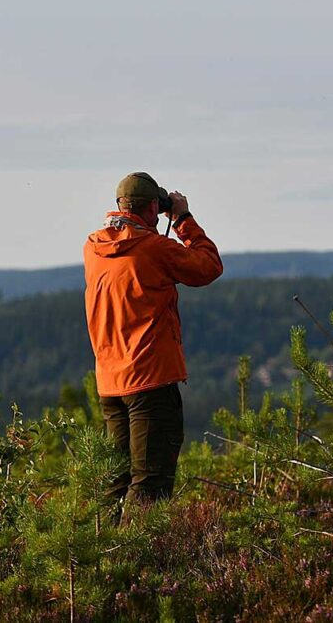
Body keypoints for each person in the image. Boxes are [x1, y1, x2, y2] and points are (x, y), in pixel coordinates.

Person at [83, 171, 223, 515]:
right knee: (150, 482)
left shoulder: (93, 248)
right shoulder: (154, 248)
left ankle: (101, 558)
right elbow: (208, 267)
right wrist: (182, 219)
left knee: (117, 481)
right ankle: (140, 563)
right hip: (150, 382)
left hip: (111, 385)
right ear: (150, 208)